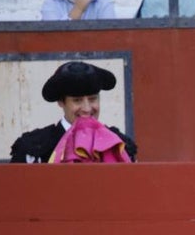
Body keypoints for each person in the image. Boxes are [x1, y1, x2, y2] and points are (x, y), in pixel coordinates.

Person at [10, 61, 138, 164]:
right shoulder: (34, 148)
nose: (87, 108)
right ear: (61, 102)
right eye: (77, 101)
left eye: (93, 99)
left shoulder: (121, 145)